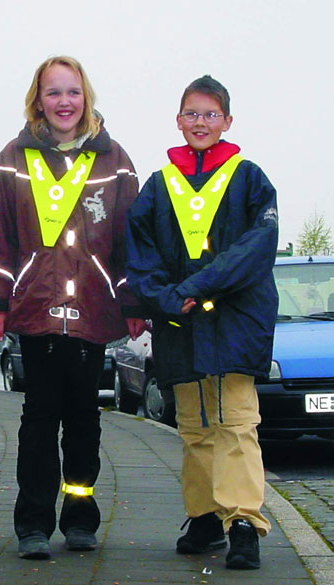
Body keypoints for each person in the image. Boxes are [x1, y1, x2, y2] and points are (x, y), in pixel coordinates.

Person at [0, 56, 145, 560]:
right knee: (37, 420)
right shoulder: (12, 157)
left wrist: (133, 302)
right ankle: (32, 523)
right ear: (38, 99)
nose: (64, 102)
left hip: (93, 311)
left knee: (84, 421)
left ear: (86, 97)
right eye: (54, 93)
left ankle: (80, 520)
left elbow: (129, 241)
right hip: (36, 310)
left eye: (73, 92)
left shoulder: (114, 159)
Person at [125, 75, 278, 570]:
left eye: (211, 114)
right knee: (192, 425)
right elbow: (140, 257)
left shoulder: (250, 178)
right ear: (178, 119)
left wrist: (190, 290)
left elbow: (254, 250)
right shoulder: (157, 186)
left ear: (228, 121)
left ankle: (244, 525)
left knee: (236, 423)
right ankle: (205, 516)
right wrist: (164, 301)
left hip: (235, 322)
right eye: (192, 113)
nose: (200, 123)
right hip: (180, 326)